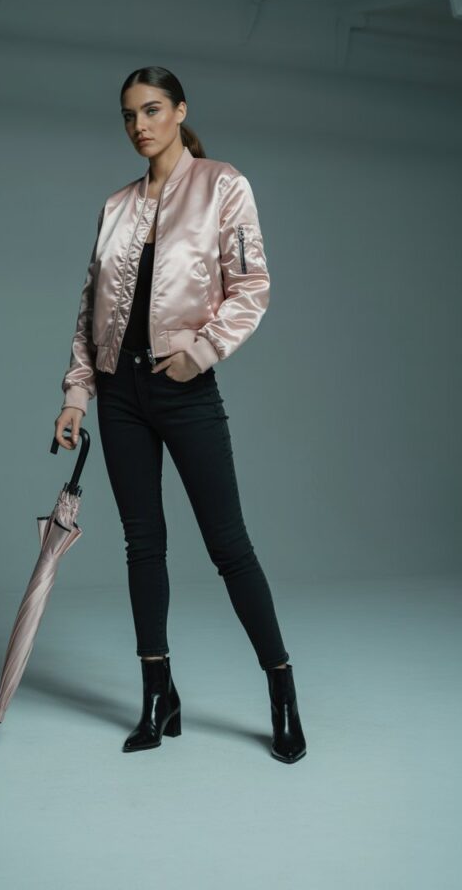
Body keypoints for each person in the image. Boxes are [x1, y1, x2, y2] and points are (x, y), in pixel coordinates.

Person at [54, 66, 306, 764]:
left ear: (180, 111)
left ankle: (282, 690)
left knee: (229, 547)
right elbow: (89, 309)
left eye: (153, 110)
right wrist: (78, 395)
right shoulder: (115, 205)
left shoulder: (223, 184)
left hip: (186, 389)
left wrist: (204, 350)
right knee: (144, 545)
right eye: (130, 114)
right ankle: (158, 695)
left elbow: (251, 285)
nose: (140, 125)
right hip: (120, 395)